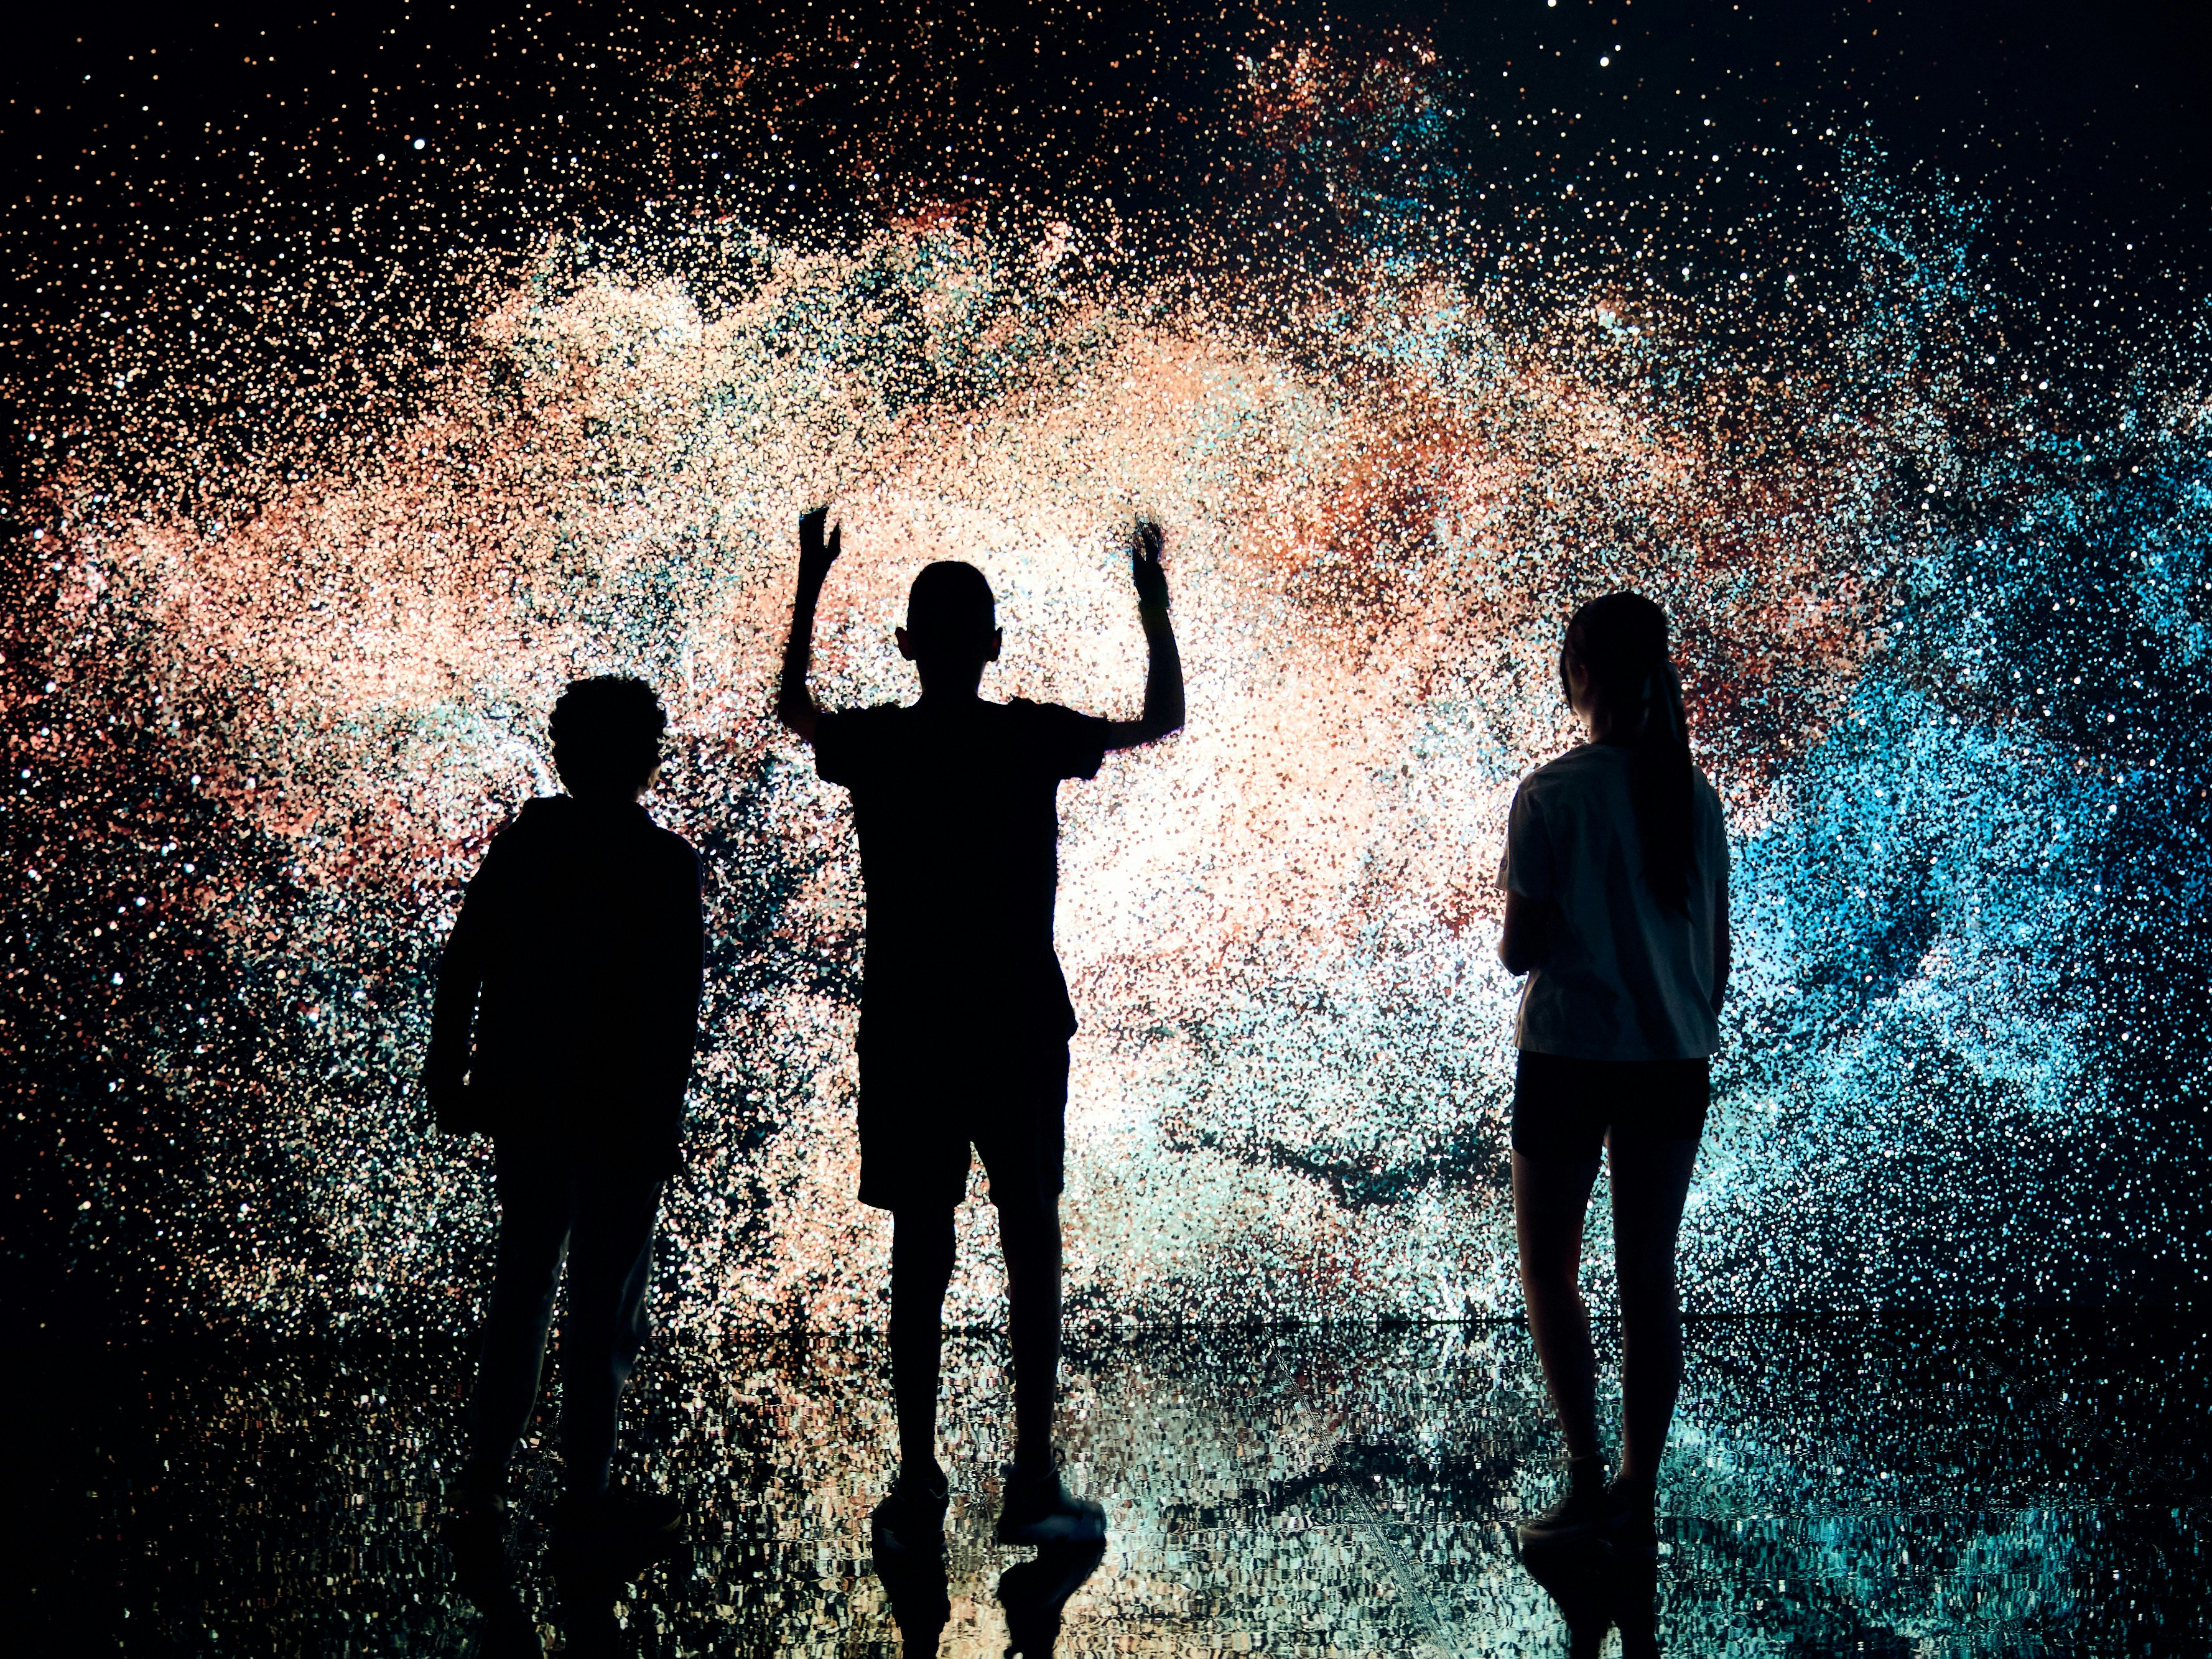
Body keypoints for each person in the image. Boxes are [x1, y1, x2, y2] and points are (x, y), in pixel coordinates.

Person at [776, 506, 1184, 1555]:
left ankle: (919, 1478)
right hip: (1016, 1021)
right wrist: (1153, 603)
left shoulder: (881, 742)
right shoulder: (1026, 733)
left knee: (923, 1246)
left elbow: (795, 709)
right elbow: (1162, 718)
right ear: (995, 643)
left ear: (908, 646)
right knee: (1030, 1237)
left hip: (911, 1024)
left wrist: (812, 587)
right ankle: (1033, 1474)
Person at [422, 675, 705, 1599]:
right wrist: (663, 1119)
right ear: (648, 758)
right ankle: (585, 1496)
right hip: (621, 1111)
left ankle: (481, 1482)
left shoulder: (532, 840)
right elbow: (674, 1014)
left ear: (562, 752)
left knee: (524, 1282)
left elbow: (467, 956)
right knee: (600, 1312)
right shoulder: (665, 864)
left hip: (529, 1096)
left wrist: (448, 1065)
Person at [1496, 592, 1730, 1556]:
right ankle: (1639, 1488)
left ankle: (1587, 1476)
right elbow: (1716, 955)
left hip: (1569, 1058)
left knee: (1551, 1267)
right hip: (1671, 1061)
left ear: (1576, 673)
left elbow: (1518, 954)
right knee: (1650, 1278)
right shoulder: (1695, 796)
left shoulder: (1551, 795)